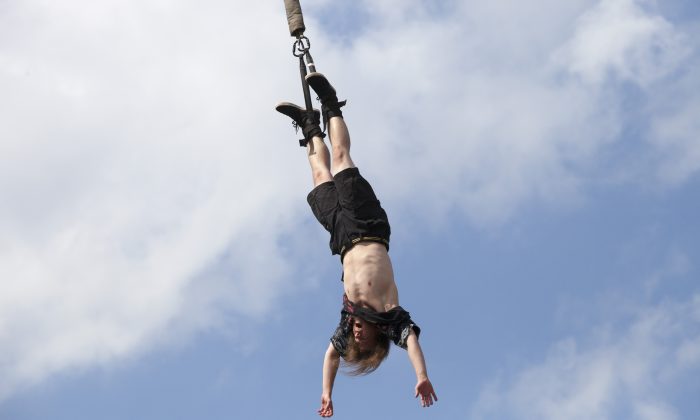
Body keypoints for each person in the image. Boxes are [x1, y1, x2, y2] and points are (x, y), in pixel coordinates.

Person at [276, 72, 438, 418]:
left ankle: (308, 126)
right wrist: (421, 377)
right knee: (340, 158)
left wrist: (326, 394)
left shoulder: (348, 320)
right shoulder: (389, 315)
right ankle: (331, 104)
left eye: (354, 336)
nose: (357, 333)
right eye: (361, 339)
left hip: (342, 237)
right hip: (369, 227)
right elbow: (411, 342)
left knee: (320, 176)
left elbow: (331, 355)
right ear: (377, 340)